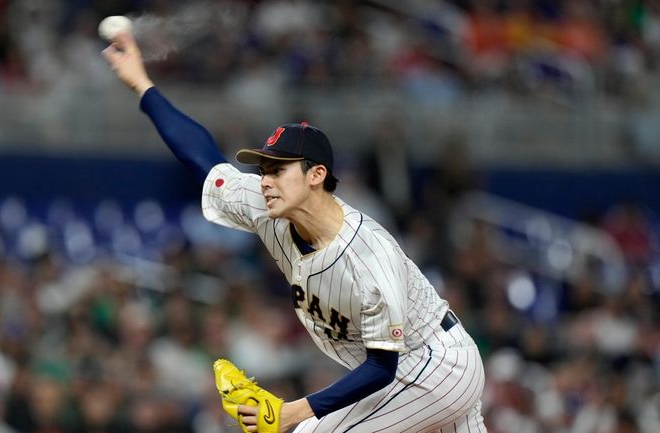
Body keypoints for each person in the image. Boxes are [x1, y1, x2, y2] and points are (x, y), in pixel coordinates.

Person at [103, 31, 487, 433]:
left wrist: (292, 412)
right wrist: (142, 85)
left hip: (433, 363)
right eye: (264, 169)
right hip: (410, 368)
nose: (265, 180)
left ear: (316, 175)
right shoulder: (265, 204)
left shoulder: (369, 255)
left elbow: (381, 367)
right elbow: (203, 157)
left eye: (278, 170)